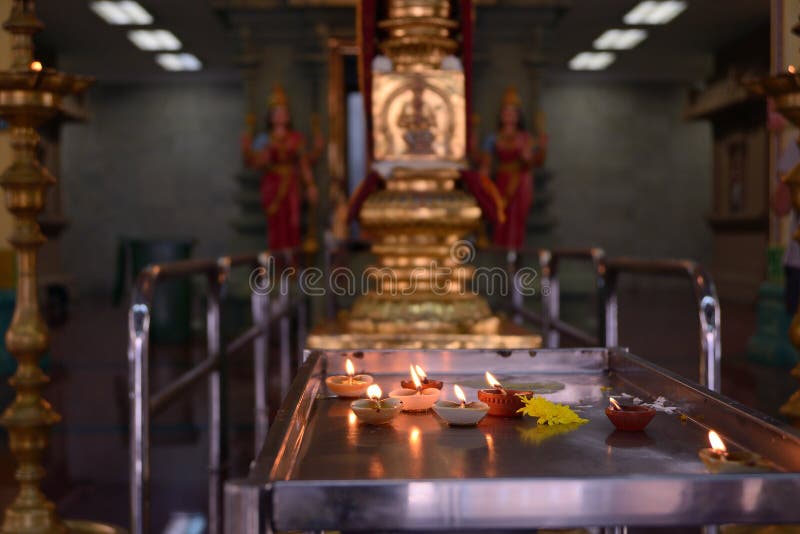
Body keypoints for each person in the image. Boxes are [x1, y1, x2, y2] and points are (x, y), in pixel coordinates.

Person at [241, 85, 318, 250]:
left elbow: (303, 163)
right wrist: (248, 150)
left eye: (284, 112)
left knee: (293, 222)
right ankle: (277, 266)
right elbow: (256, 162)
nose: (281, 116)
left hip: (291, 185)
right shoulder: (265, 139)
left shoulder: (296, 138)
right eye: (277, 113)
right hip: (272, 184)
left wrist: (310, 185)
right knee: (275, 225)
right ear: (271, 117)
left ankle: (292, 267)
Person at [480, 87, 547, 250]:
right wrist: (484, 178)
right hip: (502, 181)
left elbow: (535, 162)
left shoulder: (526, 138)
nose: (508, 116)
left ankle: (516, 258)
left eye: (512, 113)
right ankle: (500, 259)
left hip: (521, 181)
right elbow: (486, 163)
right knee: (501, 219)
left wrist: (533, 154)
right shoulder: (494, 138)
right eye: (506, 112)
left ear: (518, 116)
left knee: (518, 220)